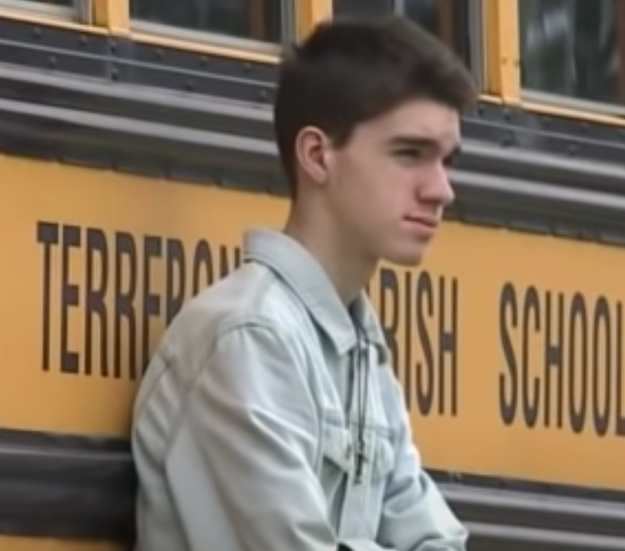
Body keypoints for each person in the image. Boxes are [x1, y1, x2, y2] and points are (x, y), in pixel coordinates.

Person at [132, 13, 477, 551]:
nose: (441, 190)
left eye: (446, 161)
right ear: (317, 155)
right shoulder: (247, 338)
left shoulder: (359, 348)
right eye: (408, 154)